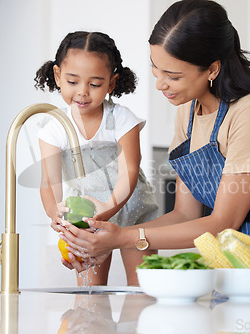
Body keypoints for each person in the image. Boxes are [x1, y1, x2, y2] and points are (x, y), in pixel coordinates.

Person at [56, 0, 250, 272]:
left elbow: (223, 222)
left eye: (173, 75)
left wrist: (123, 237)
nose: (160, 83)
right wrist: (107, 239)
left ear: (212, 69)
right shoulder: (189, 111)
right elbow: (184, 215)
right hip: (229, 266)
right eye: (156, 68)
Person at [34, 31, 159, 285]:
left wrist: (108, 208)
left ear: (111, 83)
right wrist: (54, 212)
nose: (82, 92)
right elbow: (49, 181)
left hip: (134, 215)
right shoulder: (54, 128)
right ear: (58, 76)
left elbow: (130, 172)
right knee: (91, 295)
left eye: (94, 84)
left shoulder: (122, 119)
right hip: (87, 220)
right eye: (73, 82)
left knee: (142, 291)